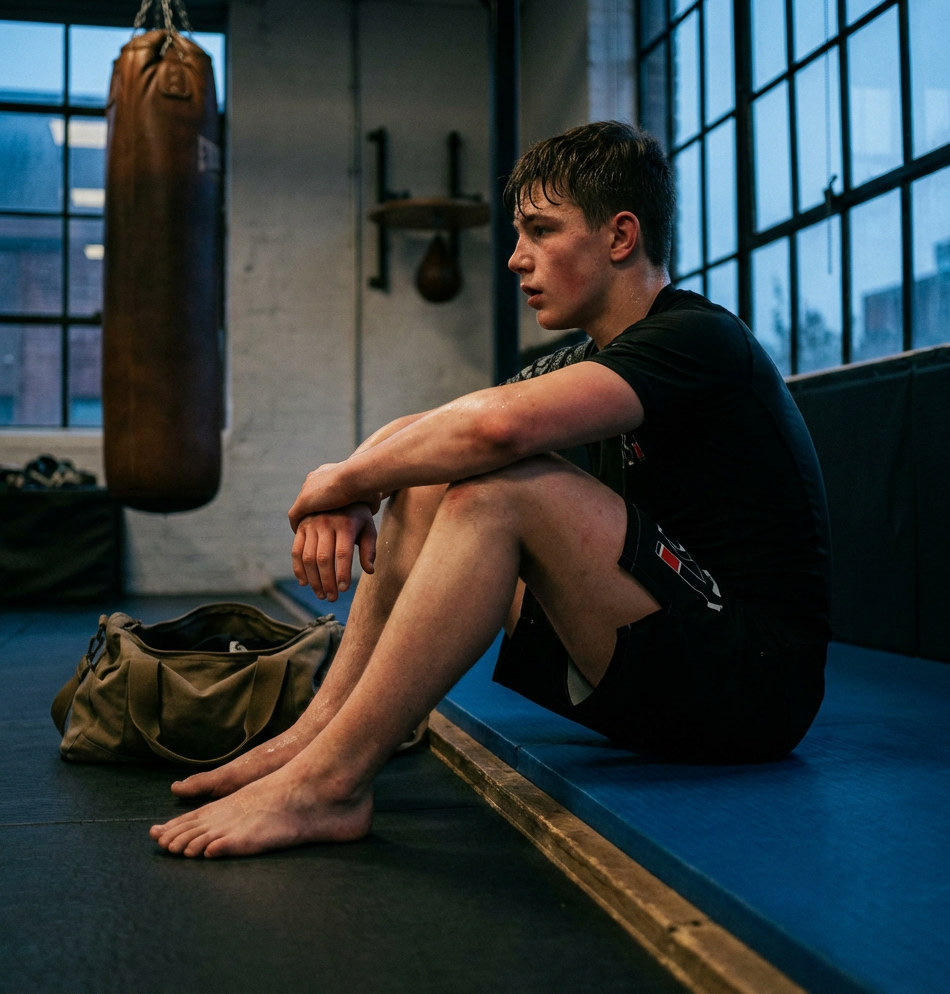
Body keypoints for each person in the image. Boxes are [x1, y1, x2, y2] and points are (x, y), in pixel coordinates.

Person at [150, 121, 831, 859]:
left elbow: (495, 433)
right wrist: (349, 490)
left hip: (754, 687)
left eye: (540, 231)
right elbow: (437, 428)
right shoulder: (593, 358)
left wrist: (333, 483)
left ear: (620, 236)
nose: (516, 259)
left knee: (496, 491)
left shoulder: (701, 339)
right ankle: (316, 736)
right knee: (426, 481)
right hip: (667, 657)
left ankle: (330, 784)